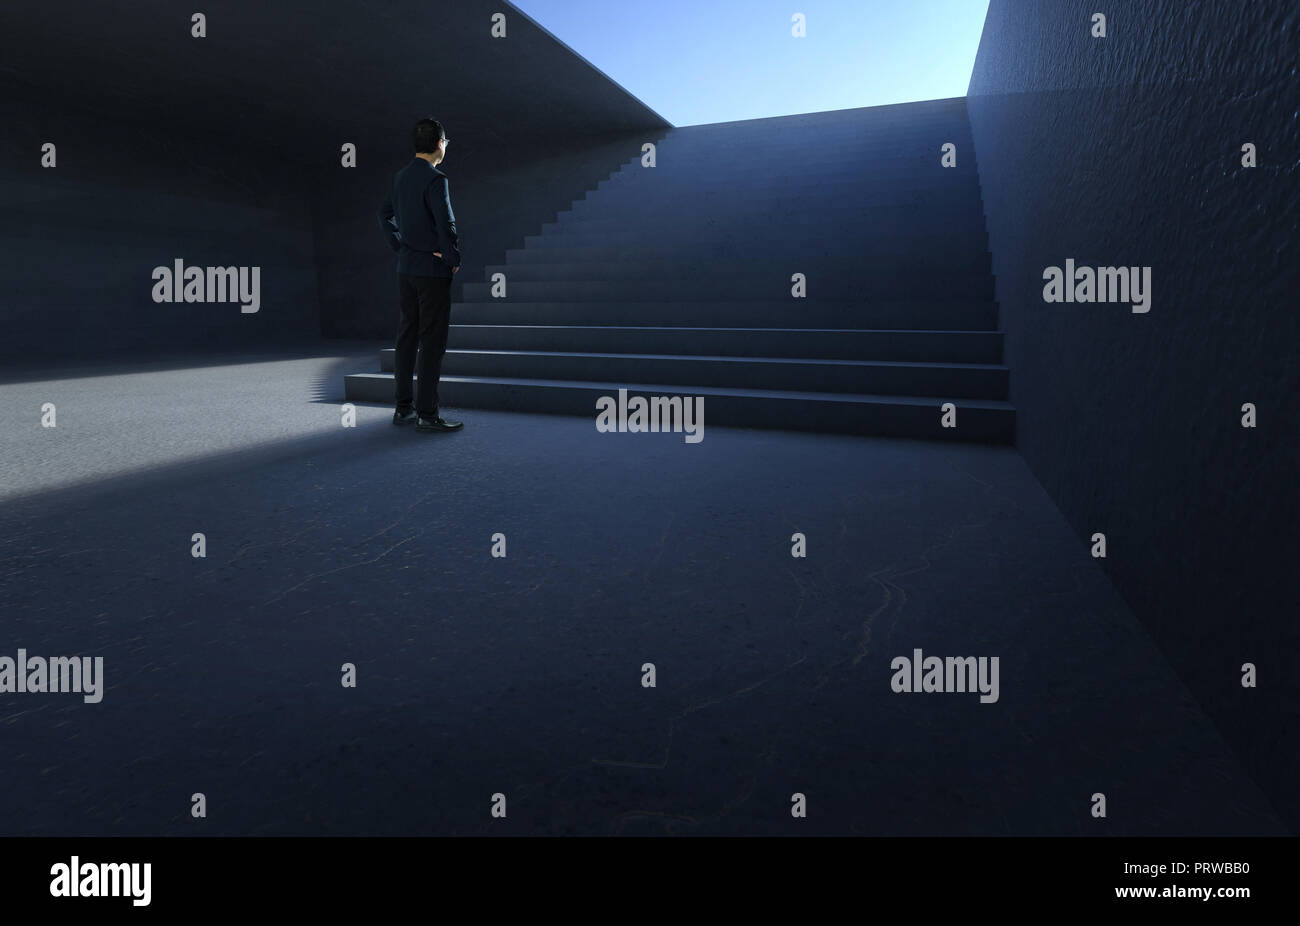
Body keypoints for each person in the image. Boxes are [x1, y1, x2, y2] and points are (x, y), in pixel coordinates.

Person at [378, 117, 464, 432]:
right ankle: (428, 415)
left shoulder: (399, 177)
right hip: (432, 271)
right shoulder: (435, 178)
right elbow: (447, 223)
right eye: (446, 141)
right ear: (440, 143)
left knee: (406, 338)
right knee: (432, 342)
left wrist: (399, 246)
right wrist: (452, 257)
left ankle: (403, 410)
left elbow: (383, 214)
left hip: (406, 270)